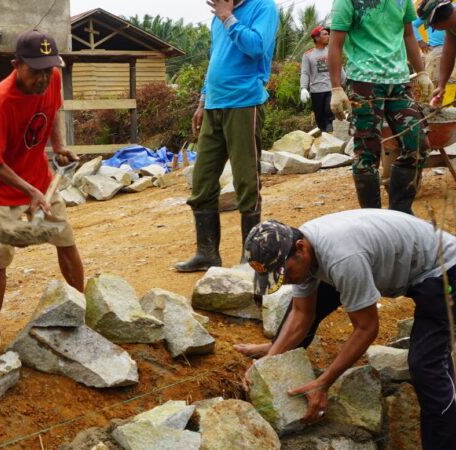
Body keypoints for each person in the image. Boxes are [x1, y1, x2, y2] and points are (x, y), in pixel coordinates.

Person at [240, 211, 456, 449]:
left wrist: (324, 382)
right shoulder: (304, 249)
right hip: (403, 264)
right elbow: (302, 313)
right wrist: (269, 361)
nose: (286, 281)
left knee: (427, 363)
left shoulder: (342, 257)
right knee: (310, 295)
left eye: (285, 273)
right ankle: (276, 349)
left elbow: (367, 328)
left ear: (300, 248)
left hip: (444, 269)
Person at [0, 29, 83, 359]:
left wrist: (59, 147)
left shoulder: (51, 79)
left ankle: (81, 309)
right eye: (34, 70)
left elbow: (53, 113)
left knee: (64, 239)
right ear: (16, 65)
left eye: (47, 69)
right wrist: (30, 191)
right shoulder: (0, 102)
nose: (42, 78)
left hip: (39, 179)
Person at [174, 0, 279, 273]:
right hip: (214, 106)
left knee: (246, 181)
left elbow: (257, 47)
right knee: (203, 181)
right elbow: (215, 59)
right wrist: (202, 100)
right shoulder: (218, 16)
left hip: (245, 102)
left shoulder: (263, 7)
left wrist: (228, 17)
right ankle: (206, 253)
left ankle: (250, 257)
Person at [328, 0, 432, 214]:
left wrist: (421, 72)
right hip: (364, 82)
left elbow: (408, 35)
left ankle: (400, 213)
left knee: (418, 145)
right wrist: (336, 88)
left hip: (399, 82)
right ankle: (373, 218)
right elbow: (336, 43)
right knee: (367, 153)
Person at [300, 26, 336, 133]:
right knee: (320, 120)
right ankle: (325, 138)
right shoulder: (308, 55)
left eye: (328, 34)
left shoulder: (331, 52)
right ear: (316, 38)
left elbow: (339, 69)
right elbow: (305, 73)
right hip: (316, 91)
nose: (328, 36)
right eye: (325, 34)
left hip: (330, 89)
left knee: (330, 116)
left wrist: (345, 85)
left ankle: (330, 132)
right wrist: (303, 88)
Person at [422, 0, 456, 104]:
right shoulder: (451, 27)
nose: (434, 29)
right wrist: (441, 86)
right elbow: (448, 54)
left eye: (432, 26)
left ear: (438, 21)